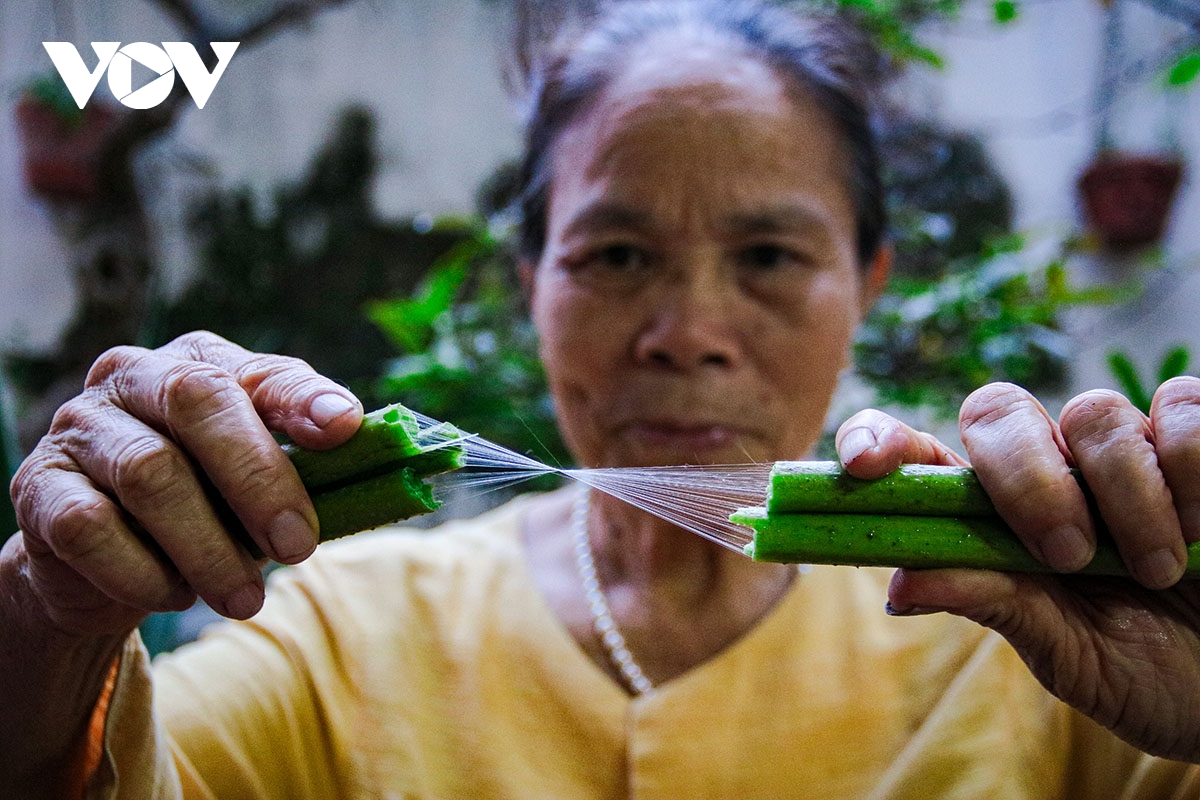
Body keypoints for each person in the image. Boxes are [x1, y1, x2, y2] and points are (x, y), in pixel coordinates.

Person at [4, 1, 1200, 797]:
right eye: (616, 254)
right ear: (534, 283)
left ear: (867, 282)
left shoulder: (1037, 642)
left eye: (769, 256)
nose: (687, 333)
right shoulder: (338, 636)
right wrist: (50, 622)